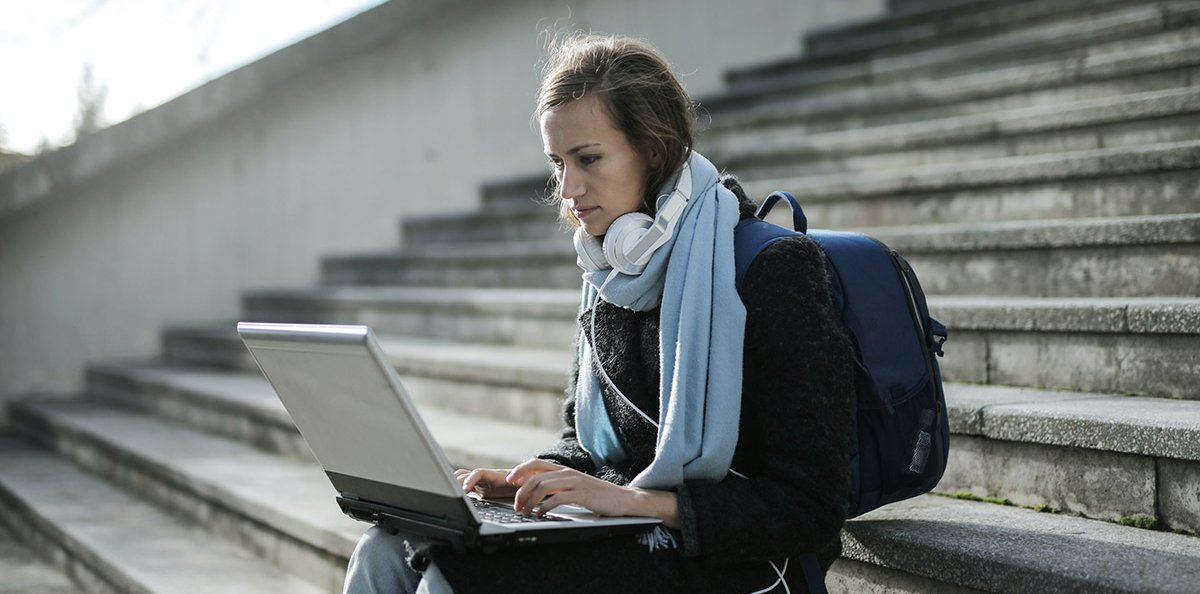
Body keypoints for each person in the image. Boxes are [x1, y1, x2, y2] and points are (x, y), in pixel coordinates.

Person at [343, 33, 855, 594]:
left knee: (459, 576)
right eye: (557, 163)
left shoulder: (773, 269)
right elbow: (585, 441)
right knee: (385, 548)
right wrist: (524, 480)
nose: (568, 188)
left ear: (654, 150)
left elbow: (811, 505)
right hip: (629, 531)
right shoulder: (610, 269)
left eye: (588, 159)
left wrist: (636, 501)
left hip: (740, 563)